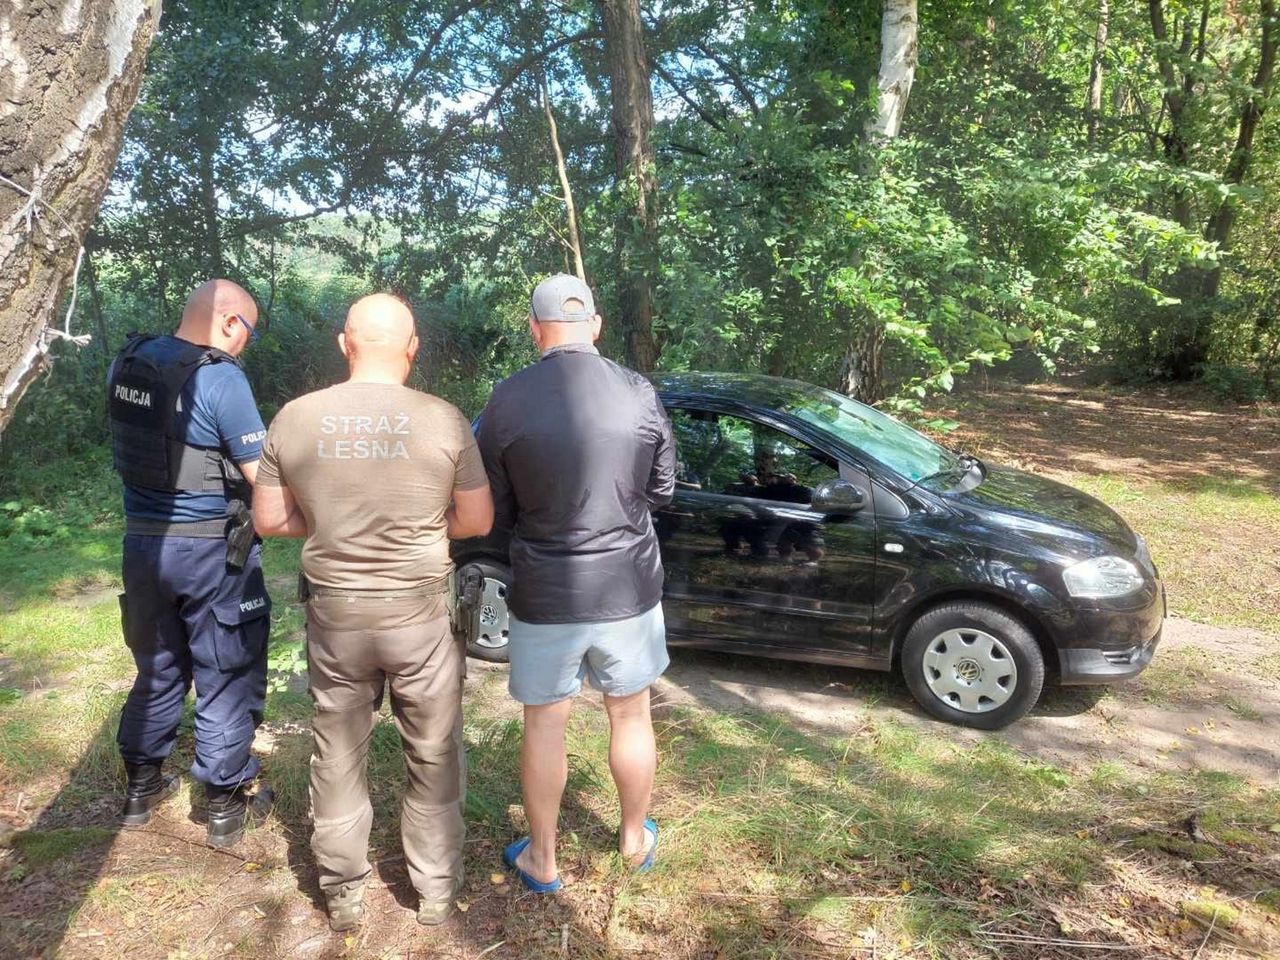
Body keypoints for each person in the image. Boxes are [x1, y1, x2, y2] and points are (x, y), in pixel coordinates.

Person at [251, 294, 493, 931]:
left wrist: (328, 520)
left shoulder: (296, 417)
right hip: (420, 620)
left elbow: (270, 519)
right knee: (434, 751)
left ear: (344, 343)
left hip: (337, 618)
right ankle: (436, 891)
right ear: (412, 348)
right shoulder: (443, 420)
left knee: (336, 752)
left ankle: (343, 893)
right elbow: (476, 519)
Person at [477, 274, 675, 892]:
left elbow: (491, 509)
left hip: (545, 588)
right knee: (632, 714)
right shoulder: (638, 391)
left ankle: (543, 857)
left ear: (535, 330)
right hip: (628, 586)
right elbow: (663, 488)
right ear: (595, 325)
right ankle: (634, 836)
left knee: (545, 721)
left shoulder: (506, 400)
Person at [109, 278, 274, 848]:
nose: (246, 343)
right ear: (231, 322)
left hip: (143, 546)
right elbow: (263, 479)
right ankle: (225, 803)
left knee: (157, 666)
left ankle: (141, 787)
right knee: (226, 669)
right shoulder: (220, 377)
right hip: (212, 551)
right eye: (249, 331)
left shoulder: (128, 364)